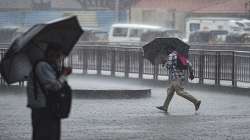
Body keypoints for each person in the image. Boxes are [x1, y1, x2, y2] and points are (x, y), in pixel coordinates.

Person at [26, 43, 72, 140]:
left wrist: (61, 73)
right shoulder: (42, 66)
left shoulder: (48, 66)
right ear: (51, 53)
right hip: (44, 109)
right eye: (58, 56)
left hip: (47, 108)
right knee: (45, 135)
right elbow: (54, 86)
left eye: (60, 56)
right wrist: (63, 75)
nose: (59, 59)